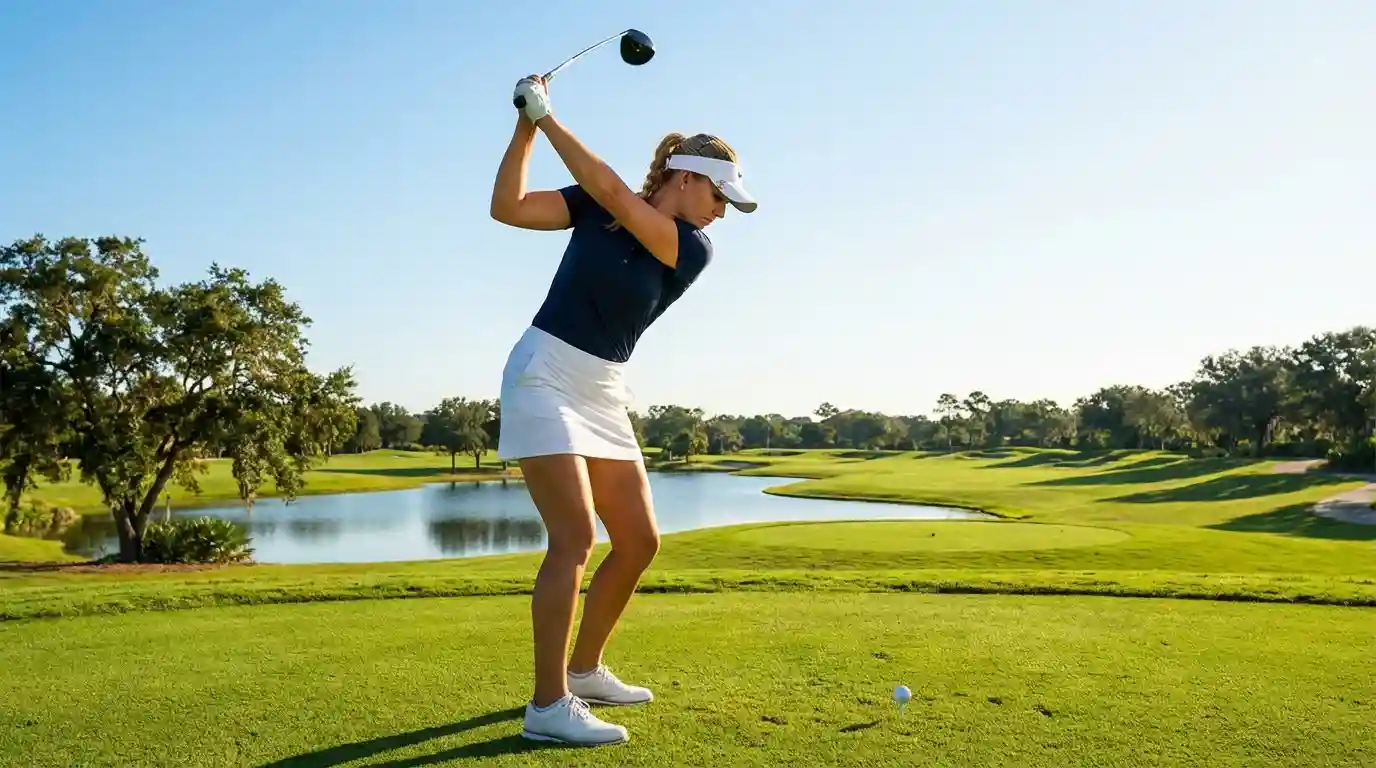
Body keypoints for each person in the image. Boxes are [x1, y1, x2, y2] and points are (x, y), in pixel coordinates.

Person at [488, 74, 757, 746]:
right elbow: (508, 208)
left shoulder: (690, 247)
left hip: (603, 389)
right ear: (686, 177)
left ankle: (584, 671)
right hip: (545, 372)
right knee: (576, 538)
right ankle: (547, 707)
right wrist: (526, 126)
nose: (722, 210)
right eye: (720, 195)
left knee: (638, 540)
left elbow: (612, 189)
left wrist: (547, 116)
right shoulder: (594, 207)